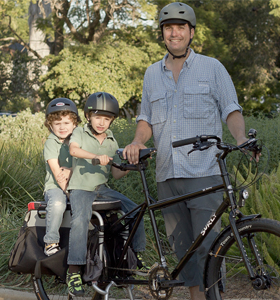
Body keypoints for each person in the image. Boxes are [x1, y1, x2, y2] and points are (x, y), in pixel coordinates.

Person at [123, 3, 254, 300]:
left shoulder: (212, 67)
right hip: (167, 174)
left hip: (204, 172)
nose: (175, 32)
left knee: (209, 248)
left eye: (181, 27)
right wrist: (138, 141)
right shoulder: (151, 73)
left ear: (191, 32)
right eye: (169, 27)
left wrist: (241, 138)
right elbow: (145, 118)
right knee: (183, 252)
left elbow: (230, 109)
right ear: (162, 34)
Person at [66, 92, 147, 296]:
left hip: (102, 190)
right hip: (81, 188)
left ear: (112, 120)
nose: (102, 122)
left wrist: (130, 165)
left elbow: (116, 173)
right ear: (88, 116)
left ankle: (134, 257)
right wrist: (96, 156)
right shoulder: (79, 133)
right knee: (80, 221)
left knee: (135, 209)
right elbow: (74, 151)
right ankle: (73, 270)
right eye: (97, 117)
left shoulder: (111, 141)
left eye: (107, 118)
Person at [42, 98, 81, 256]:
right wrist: (70, 195)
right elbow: (58, 175)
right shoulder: (51, 143)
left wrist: (71, 170)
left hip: (77, 185)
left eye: (66, 123)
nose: (62, 127)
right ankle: (51, 241)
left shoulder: (78, 141)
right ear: (50, 125)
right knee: (58, 202)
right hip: (56, 187)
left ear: (75, 124)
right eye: (57, 124)